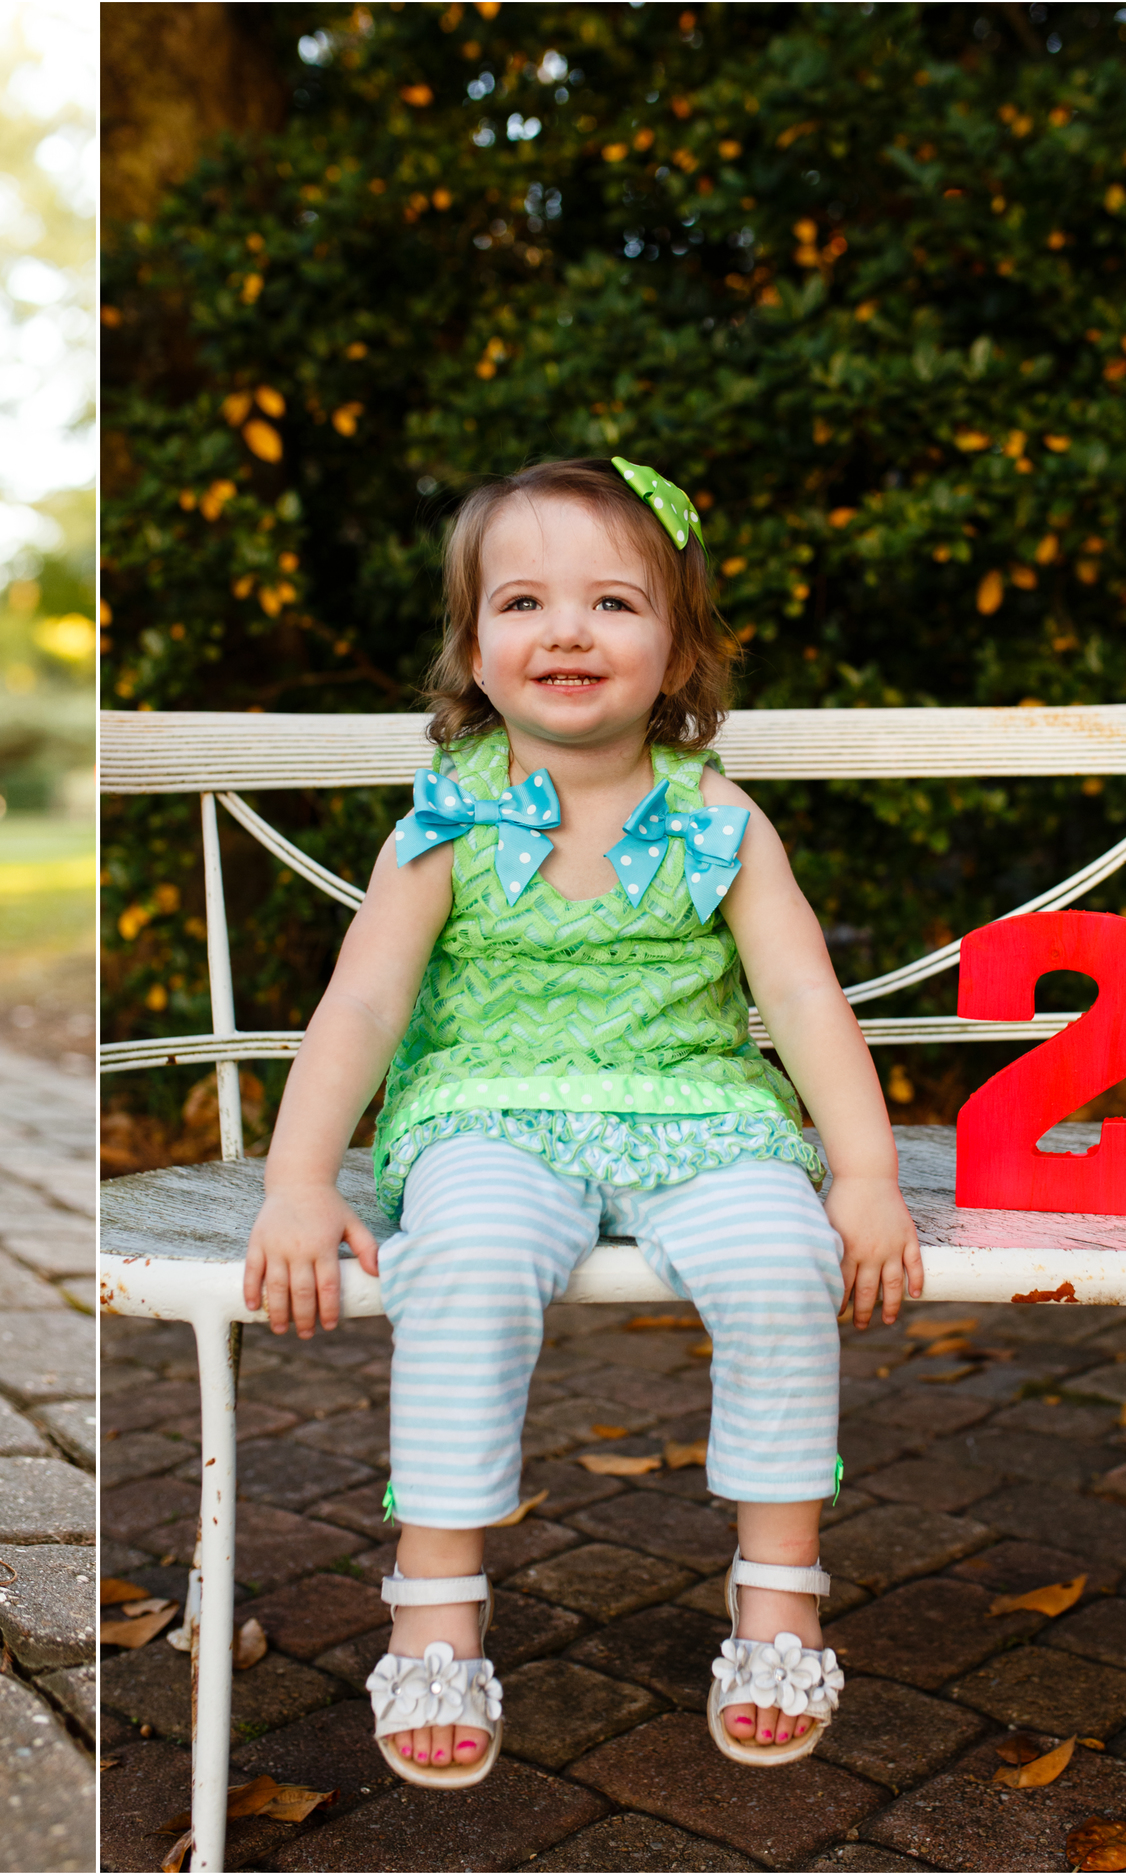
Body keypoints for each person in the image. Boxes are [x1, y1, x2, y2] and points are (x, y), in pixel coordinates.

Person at [243, 458, 922, 1786]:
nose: (566, 630)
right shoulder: (442, 823)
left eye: (614, 600)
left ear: (676, 651)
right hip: (491, 1112)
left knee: (786, 1261)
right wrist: (297, 1177)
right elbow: (364, 1003)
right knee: (471, 1262)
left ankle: (779, 1587)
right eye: (523, 601)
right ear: (475, 647)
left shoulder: (717, 814)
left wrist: (866, 1170)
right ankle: (438, 1591)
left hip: (701, 1112)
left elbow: (798, 990)